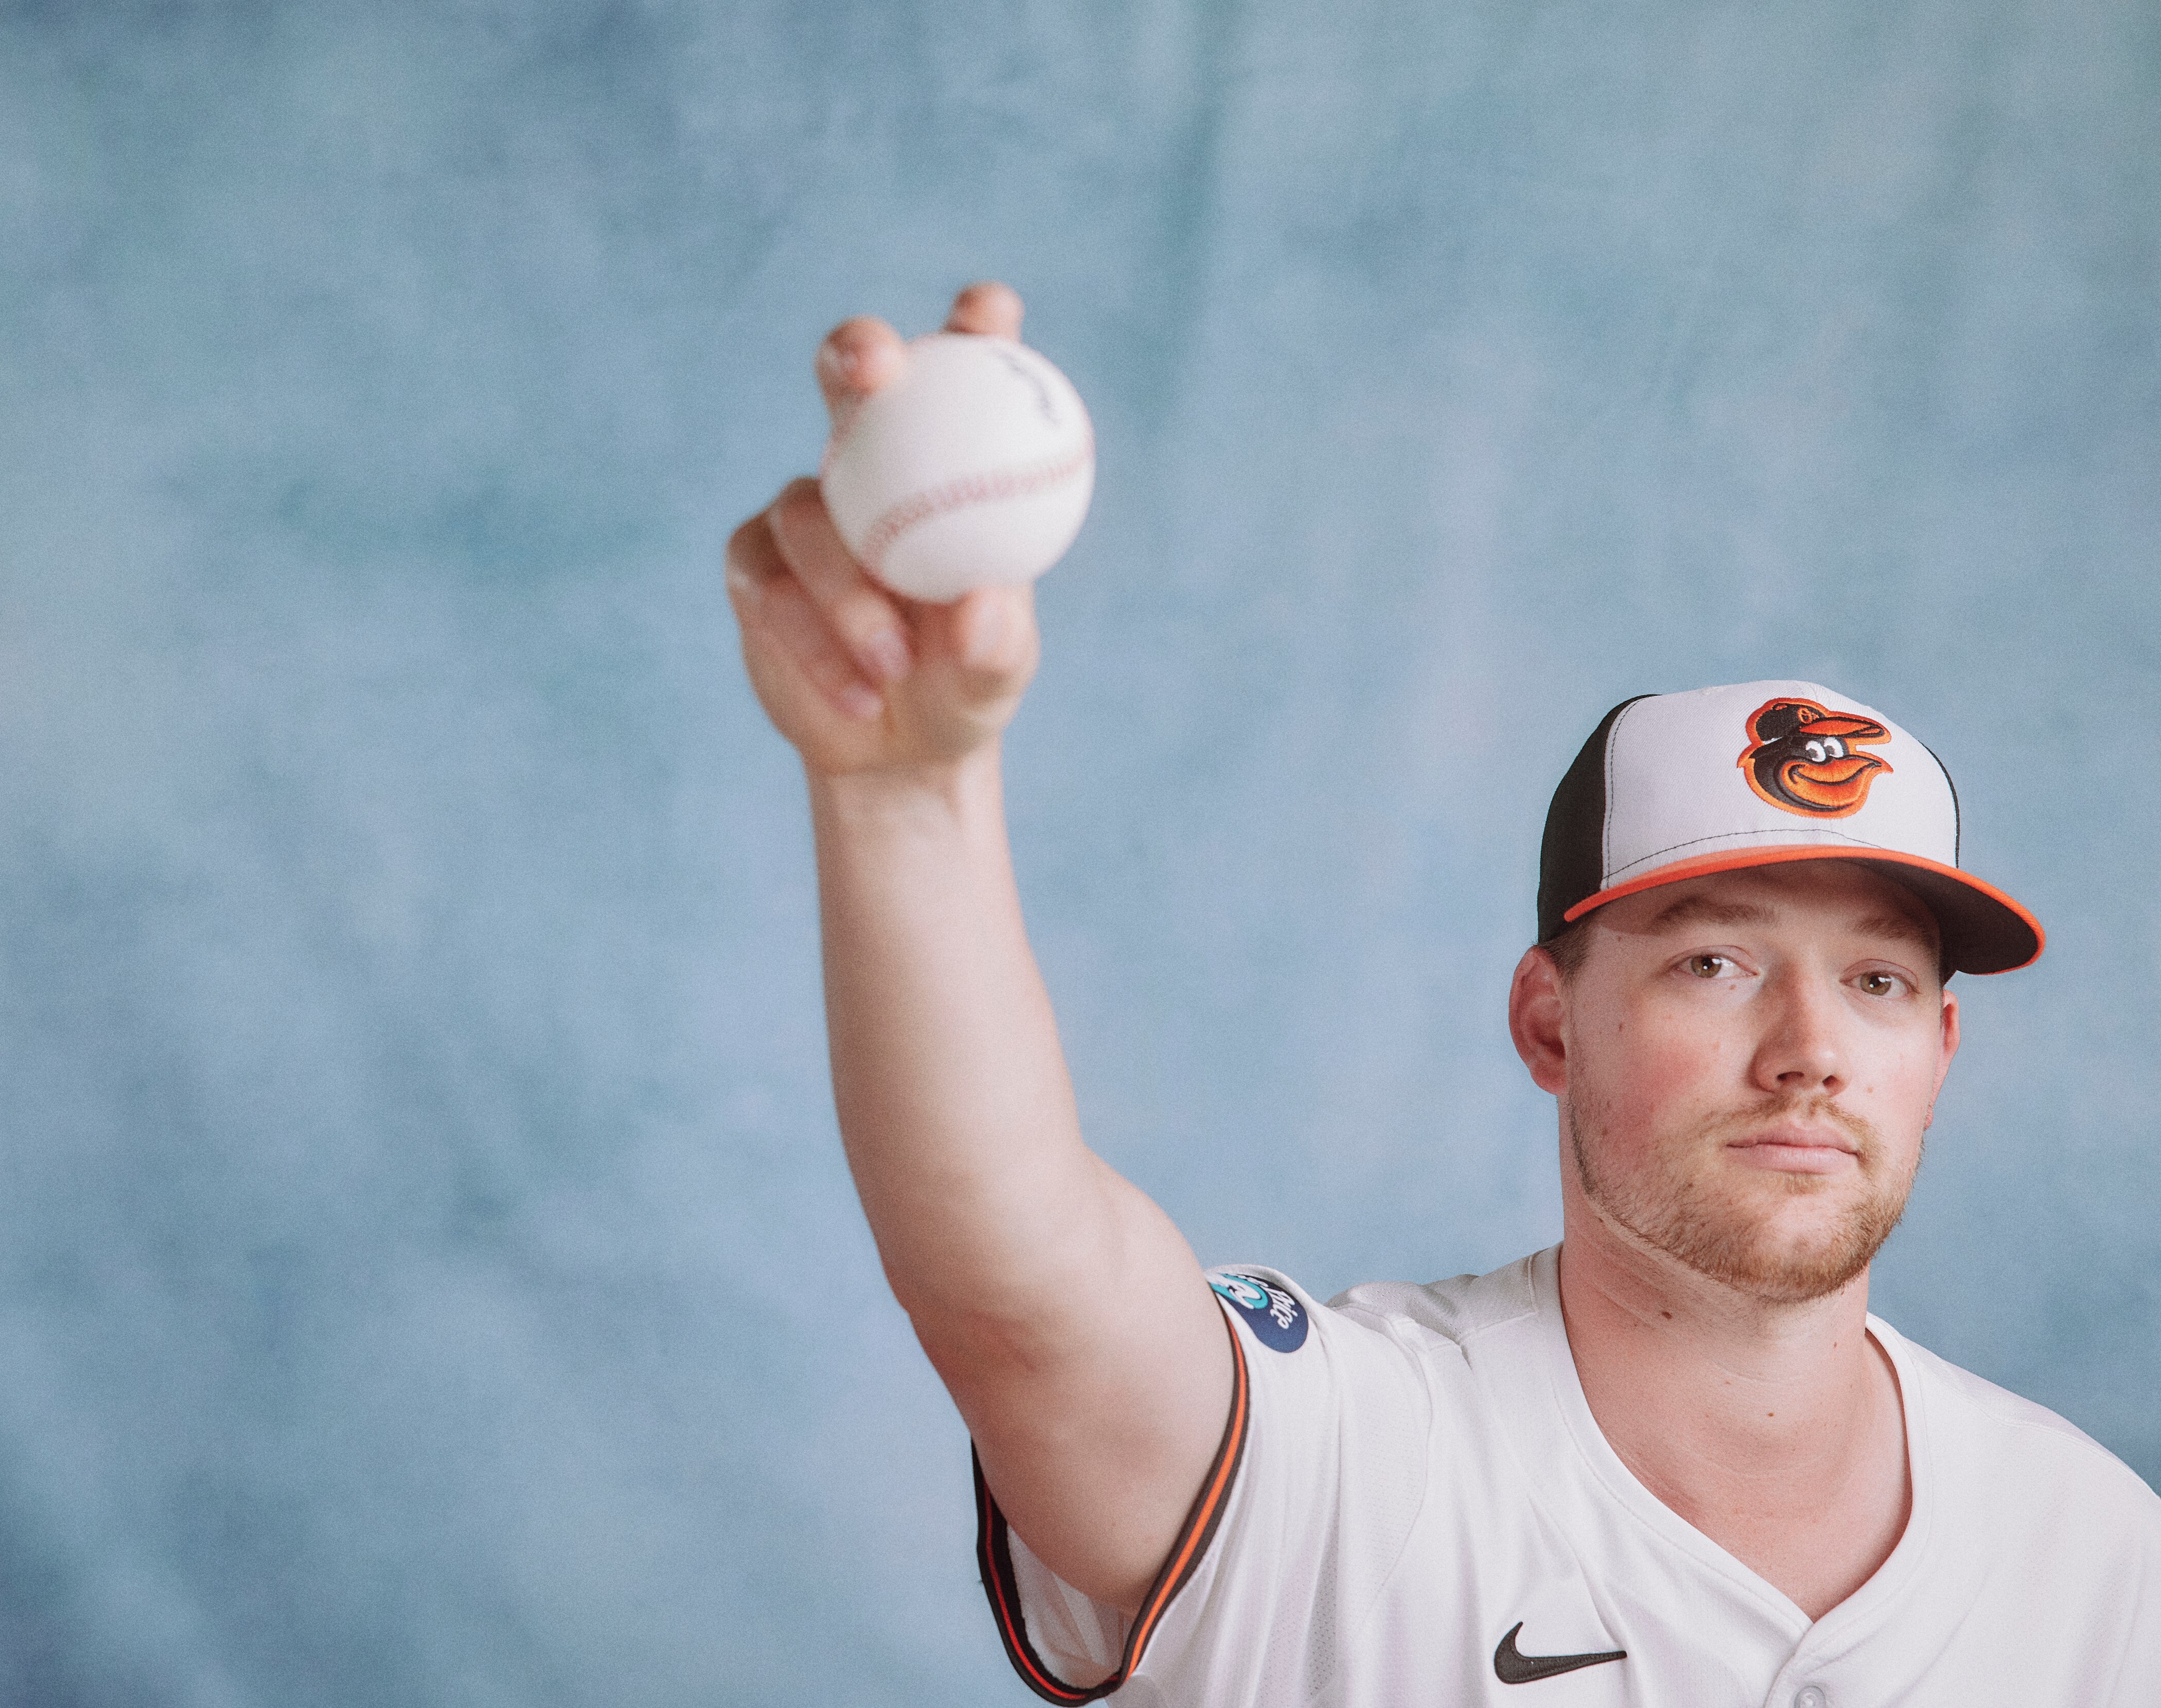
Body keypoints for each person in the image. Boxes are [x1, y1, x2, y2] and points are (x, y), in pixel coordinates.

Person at [722, 283, 2161, 1706]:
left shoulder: (2100, 1554)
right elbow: (1021, 1301)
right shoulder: (1341, 1454)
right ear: (1548, 1021)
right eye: (1714, 963)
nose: (1810, 1052)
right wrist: (905, 795)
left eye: (1877, 980)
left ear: (1942, 1049)